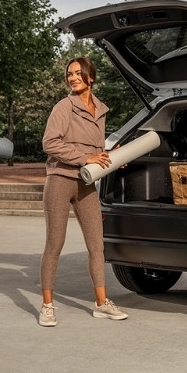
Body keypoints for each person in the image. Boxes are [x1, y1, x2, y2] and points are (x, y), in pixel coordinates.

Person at [38, 57, 129, 327]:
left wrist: (111, 156)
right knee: (55, 244)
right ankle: (47, 306)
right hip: (60, 180)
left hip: (86, 183)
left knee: (96, 246)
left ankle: (101, 303)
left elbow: (95, 149)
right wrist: (85, 158)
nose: (73, 77)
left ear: (91, 77)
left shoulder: (100, 109)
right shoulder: (63, 107)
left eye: (78, 73)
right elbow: (49, 143)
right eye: (70, 74)